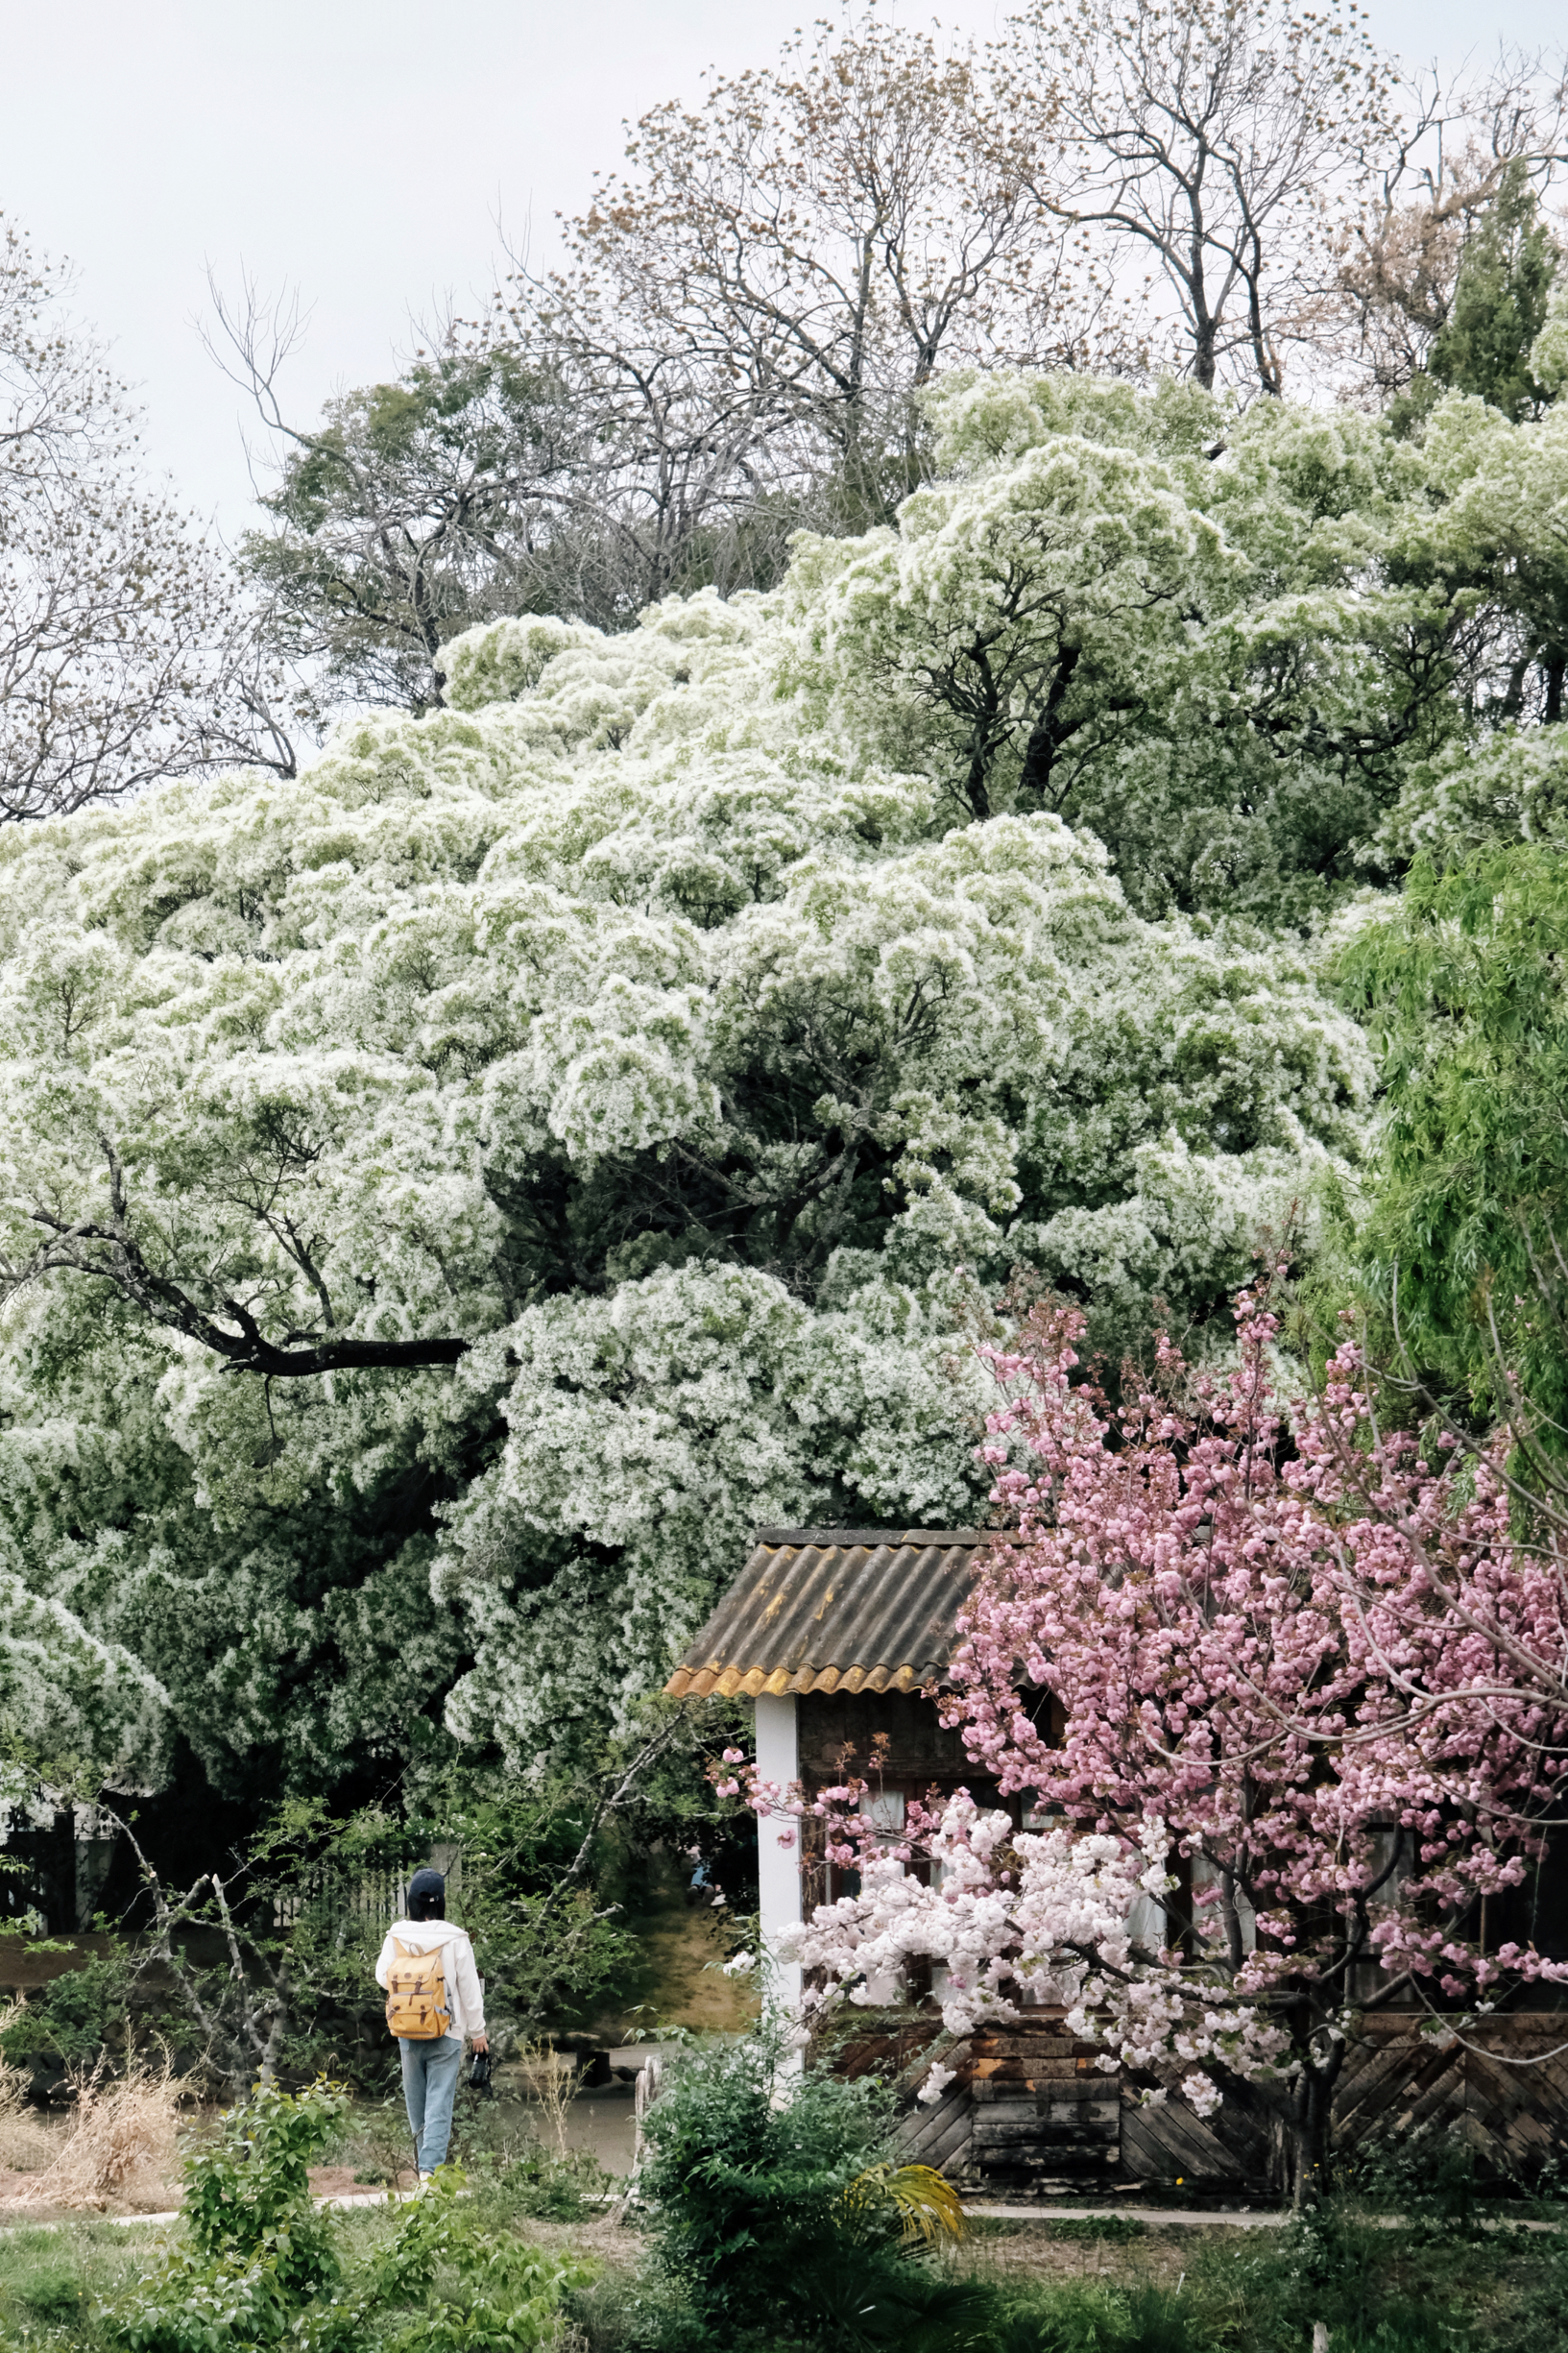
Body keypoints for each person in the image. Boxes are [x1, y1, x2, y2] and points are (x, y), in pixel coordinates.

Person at [374, 1866, 488, 2182]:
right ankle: (430, 2173)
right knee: (439, 2105)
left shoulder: (397, 1936)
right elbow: (469, 1990)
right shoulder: (456, 1938)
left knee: (417, 2106)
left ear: (411, 1901)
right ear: (442, 1901)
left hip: (407, 2031)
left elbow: (383, 1977)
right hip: (447, 2032)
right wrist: (478, 2032)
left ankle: (423, 2169)